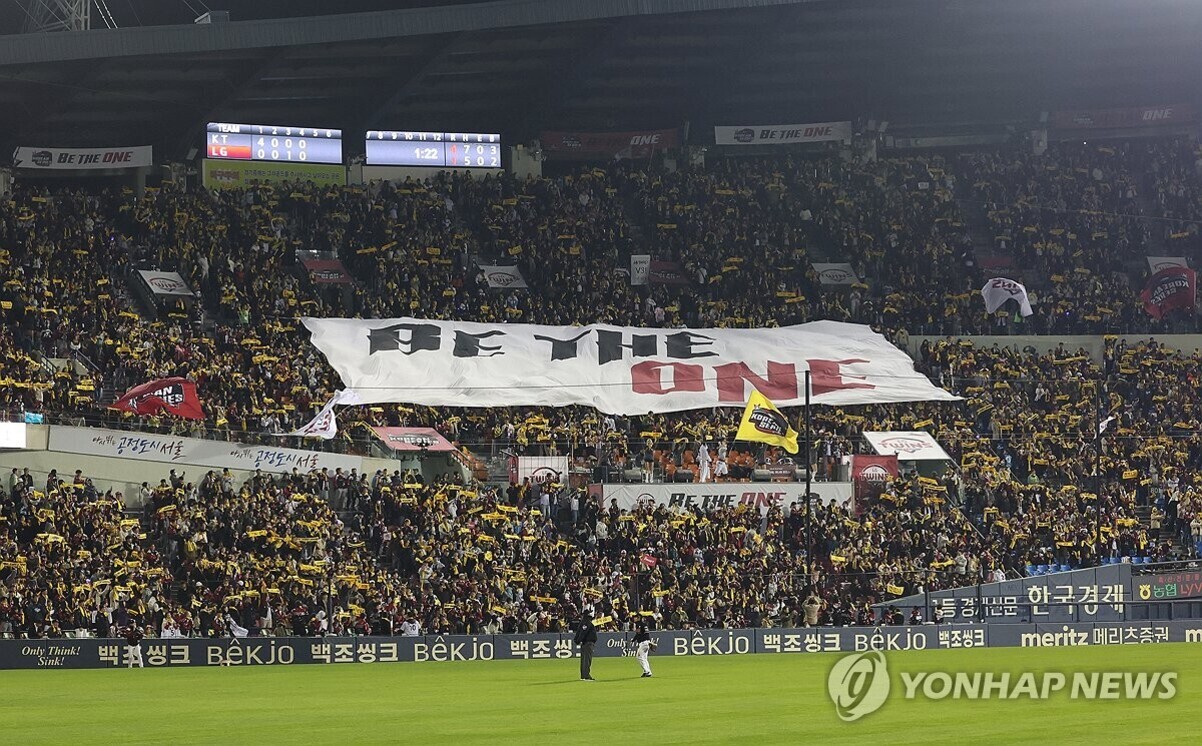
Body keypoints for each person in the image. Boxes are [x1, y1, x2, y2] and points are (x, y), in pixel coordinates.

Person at [574, 610, 598, 681]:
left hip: (585, 643)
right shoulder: (587, 622)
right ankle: (586, 676)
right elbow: (583, 633)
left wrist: (577, 640)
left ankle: (583, 675)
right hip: (588, 643)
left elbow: (579, 632)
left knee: (584, 660)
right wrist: (578, 640)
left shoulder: (583, 622)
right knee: (587, 660)